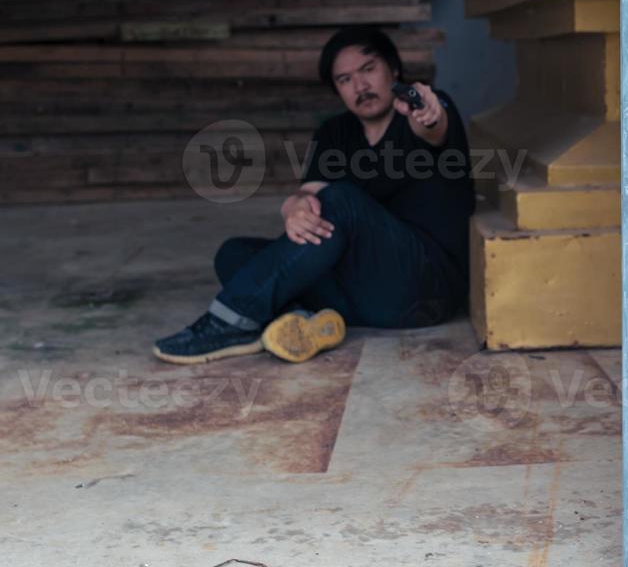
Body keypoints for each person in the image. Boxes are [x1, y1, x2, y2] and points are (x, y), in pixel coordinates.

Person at [154, 26, 475, 364]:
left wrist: (430, 111)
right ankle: (303, 322)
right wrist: (293, 207)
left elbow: (433, 125)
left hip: (422, 290)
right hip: (360, 294)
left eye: (368, 70)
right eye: (345, 79)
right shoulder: (335, 132)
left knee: (342, 200)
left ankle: (229, 321)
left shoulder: (419, 111)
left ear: (393, 69)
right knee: (234, 254)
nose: (360, 86)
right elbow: (310, 192)